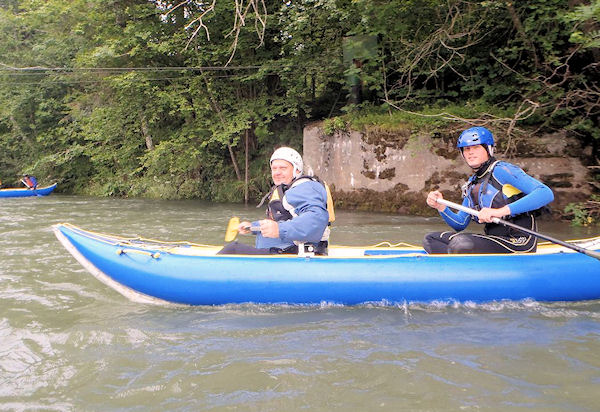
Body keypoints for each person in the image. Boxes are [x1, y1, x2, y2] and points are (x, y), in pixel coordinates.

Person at [423, 126, 554, 254]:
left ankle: (461, 258)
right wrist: (441, 207)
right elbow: (460, 223)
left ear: (488, 149)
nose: (470, 152)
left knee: (461, 243)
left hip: (519, 241)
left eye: (476, 147)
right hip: (494, 240)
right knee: (431, 240)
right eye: (466, 149)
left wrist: (499, 212)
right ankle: (456, 262)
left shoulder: (502, 170)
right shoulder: (472, 184)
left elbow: (545, 193)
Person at [218, 147, 332, 255]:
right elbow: (284, 221)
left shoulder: (304, 187)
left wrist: (279, 229)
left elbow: (316, 218)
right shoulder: (287, 189)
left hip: (295, 255)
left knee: (232, 249)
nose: (277, 172)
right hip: (282, 252)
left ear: (297, 170)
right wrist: (253, 227)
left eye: (283, 168)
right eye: (274, 168)